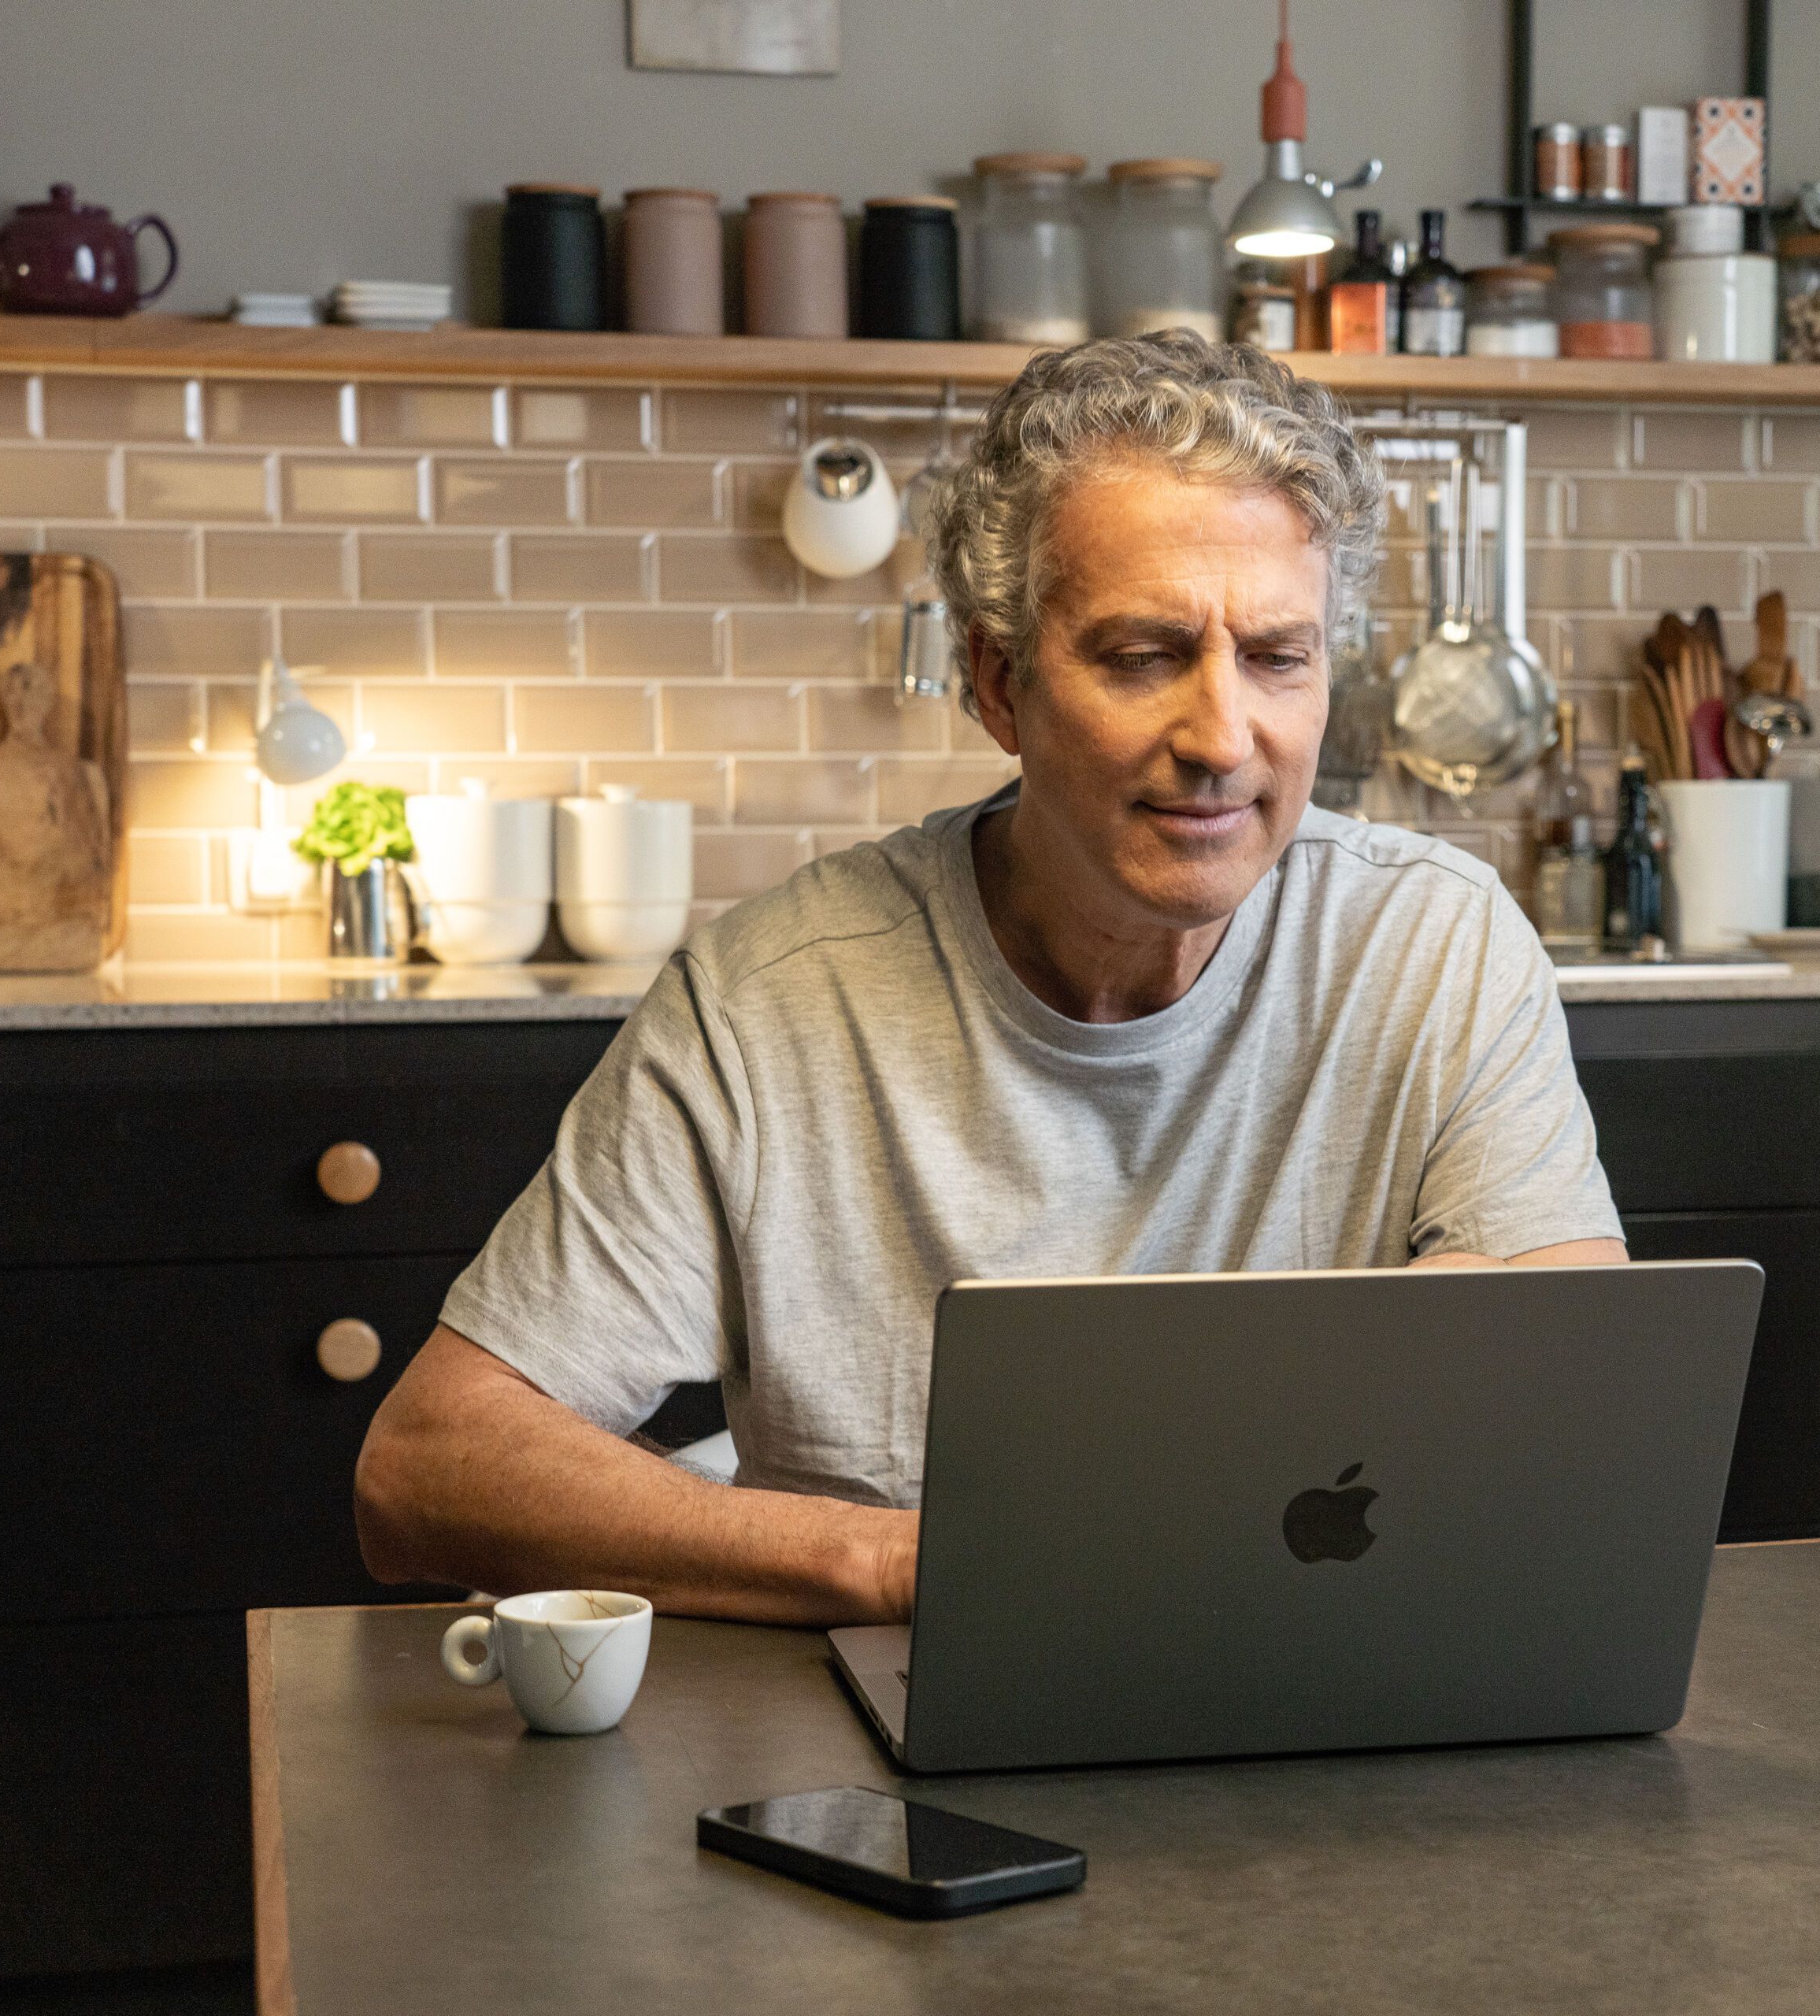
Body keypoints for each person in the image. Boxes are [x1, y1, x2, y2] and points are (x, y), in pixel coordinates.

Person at [354, 332, 1624, 1626]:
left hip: (1338, 1705)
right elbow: (425, 1472)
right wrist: (893, 1562)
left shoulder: (1436, 948)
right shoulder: (770, 1005)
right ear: (997, 683)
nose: (1224, 739)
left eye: (1279, 658)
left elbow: (1581, 1380)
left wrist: (1486, 1353)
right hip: (901, 1748)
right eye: (1143, 655)